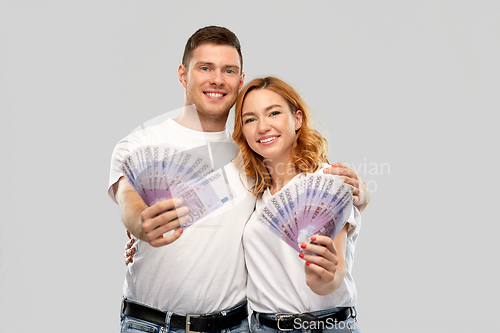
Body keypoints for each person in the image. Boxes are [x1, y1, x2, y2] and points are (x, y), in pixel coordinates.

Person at [111, 26, 369, 333]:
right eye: (205, 67)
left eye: (229, 70)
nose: (217, 79)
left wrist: (361, 194)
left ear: (240, 80)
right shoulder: (141, 144)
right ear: (183, 74)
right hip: (152, 323)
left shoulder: (252, 164)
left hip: (235, 326)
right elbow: (129, 201)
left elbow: (331, 241)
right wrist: (141, 226)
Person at [232, 76, 362, 332]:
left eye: (274, 113)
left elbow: (334, 275)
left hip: (323, 326)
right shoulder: (253, 194)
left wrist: (322, 278)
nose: (262, 127)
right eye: (250, 119)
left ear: (298, 119)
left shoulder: (327, 182)